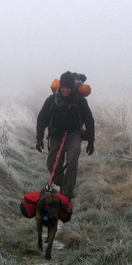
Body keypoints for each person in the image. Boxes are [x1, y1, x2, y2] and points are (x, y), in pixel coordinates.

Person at [36, 71, 95, 199]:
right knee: (52, 164)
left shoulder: (80, 101)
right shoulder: (52, 100)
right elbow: (42, 119)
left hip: (74, 134)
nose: (65, 90)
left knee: (72, 161)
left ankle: (67, 193)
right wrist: (39, 138)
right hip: (56, 134)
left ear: (72, 88)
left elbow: (89, 120)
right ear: (60, 87)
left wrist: (91, 141)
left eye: (68, 87)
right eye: (63, 87)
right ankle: (61, 182)